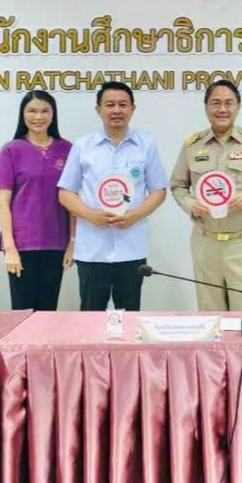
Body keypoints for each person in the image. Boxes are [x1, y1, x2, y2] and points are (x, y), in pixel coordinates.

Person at [58, 82, 168, 311]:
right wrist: (90, 215)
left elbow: (158, 190)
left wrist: (135, 215)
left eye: (122, 105)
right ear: (98, 110)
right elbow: (66, 192)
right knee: (90, 315)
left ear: (132, 109)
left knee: (129, 316)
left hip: (131, 247)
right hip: (92, 250)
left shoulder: (146, 144)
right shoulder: (83, 145)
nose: (116, 110)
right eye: (110, 105)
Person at [169, 80, 242, 311]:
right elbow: (178, 185)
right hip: (205, 242)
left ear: (238, 106)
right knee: (211, 314)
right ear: (206, 107)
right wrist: (190, 204)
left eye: (229, 103)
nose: (222, 109)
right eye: (215, 103)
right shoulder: (192, 145)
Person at [0, 90, 75, 311]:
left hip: (56, 242)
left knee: (48, 311)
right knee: (22, 310)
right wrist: (9, 247)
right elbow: (2, 203)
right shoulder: (11, 150)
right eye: (32, 111)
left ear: (53, 115)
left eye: (45, 111)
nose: (39, 117)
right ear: (22, 114)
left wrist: (72, 243)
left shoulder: (67, 149)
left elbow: (73, 201)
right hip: (22, 244)